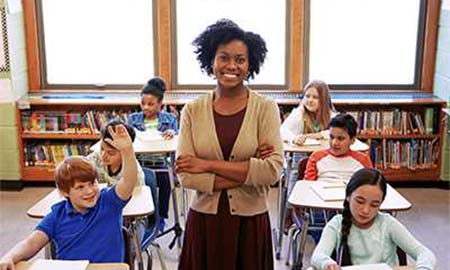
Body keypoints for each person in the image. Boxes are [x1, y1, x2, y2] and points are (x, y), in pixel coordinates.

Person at [175, 19, 284, 270]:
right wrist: (250, 169)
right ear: (211, 61)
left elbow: (272, 171)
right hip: (204, 221)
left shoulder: (266, 108)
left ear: (250, 64)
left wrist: (205, 164)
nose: (232, 66)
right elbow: (187, 178)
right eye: (224, 57)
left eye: (240, 59)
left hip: (250, 223)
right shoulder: (192, 110)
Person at [0, 124, 137, 268]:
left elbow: (128, 181)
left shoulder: (109, 202)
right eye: (80, 187)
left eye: (92, 183)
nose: (89, 191)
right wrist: (10, 256)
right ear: (65, 192)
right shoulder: (57, 215)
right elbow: (31, 243)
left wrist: (127, 150)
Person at [311, 168, 436, 270]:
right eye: (360, 201)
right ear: (348, 196)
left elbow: (424, 252)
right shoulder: (336, 224)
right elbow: (318, 255)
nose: (366, 210)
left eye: (374, 205)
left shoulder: (388, 224)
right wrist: (326, 263)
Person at [127, 77, 178, 231]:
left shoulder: (170, 119)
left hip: (161, 162)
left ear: (160, 104)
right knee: (147, 182)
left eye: (151, 104)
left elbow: (176, 136)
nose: (146, 107)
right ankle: (150, 216)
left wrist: (172, 132)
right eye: (143, 104)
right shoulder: (132, 119)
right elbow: (128, 138)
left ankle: (161, 217)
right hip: (140, 162)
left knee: (165, 182)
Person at [87, 119, 160, 227]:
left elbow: (137, 203)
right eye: (102, 149)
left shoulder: (133, 170)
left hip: (130, 218)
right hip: (102, 213)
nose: (103, 155)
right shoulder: (94, 159)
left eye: (111, 153)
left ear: (124, 152)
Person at [304, 113, 373, 183]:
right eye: (331, 137)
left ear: (352, 140)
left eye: (340, 139)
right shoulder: (316, 157)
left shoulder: (363, 160)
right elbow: (307, 185)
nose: (334, 143)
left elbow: (370, 186)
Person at [281, 80, 336, 145]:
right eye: (307, 96)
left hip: (323, 152)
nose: (310, 100)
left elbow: (340, 132)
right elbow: (282, 130)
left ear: (324, 100)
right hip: (301, 153)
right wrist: (294, 138)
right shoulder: (299, 113)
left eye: (315, 97)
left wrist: (317, 135)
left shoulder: (331, 115)